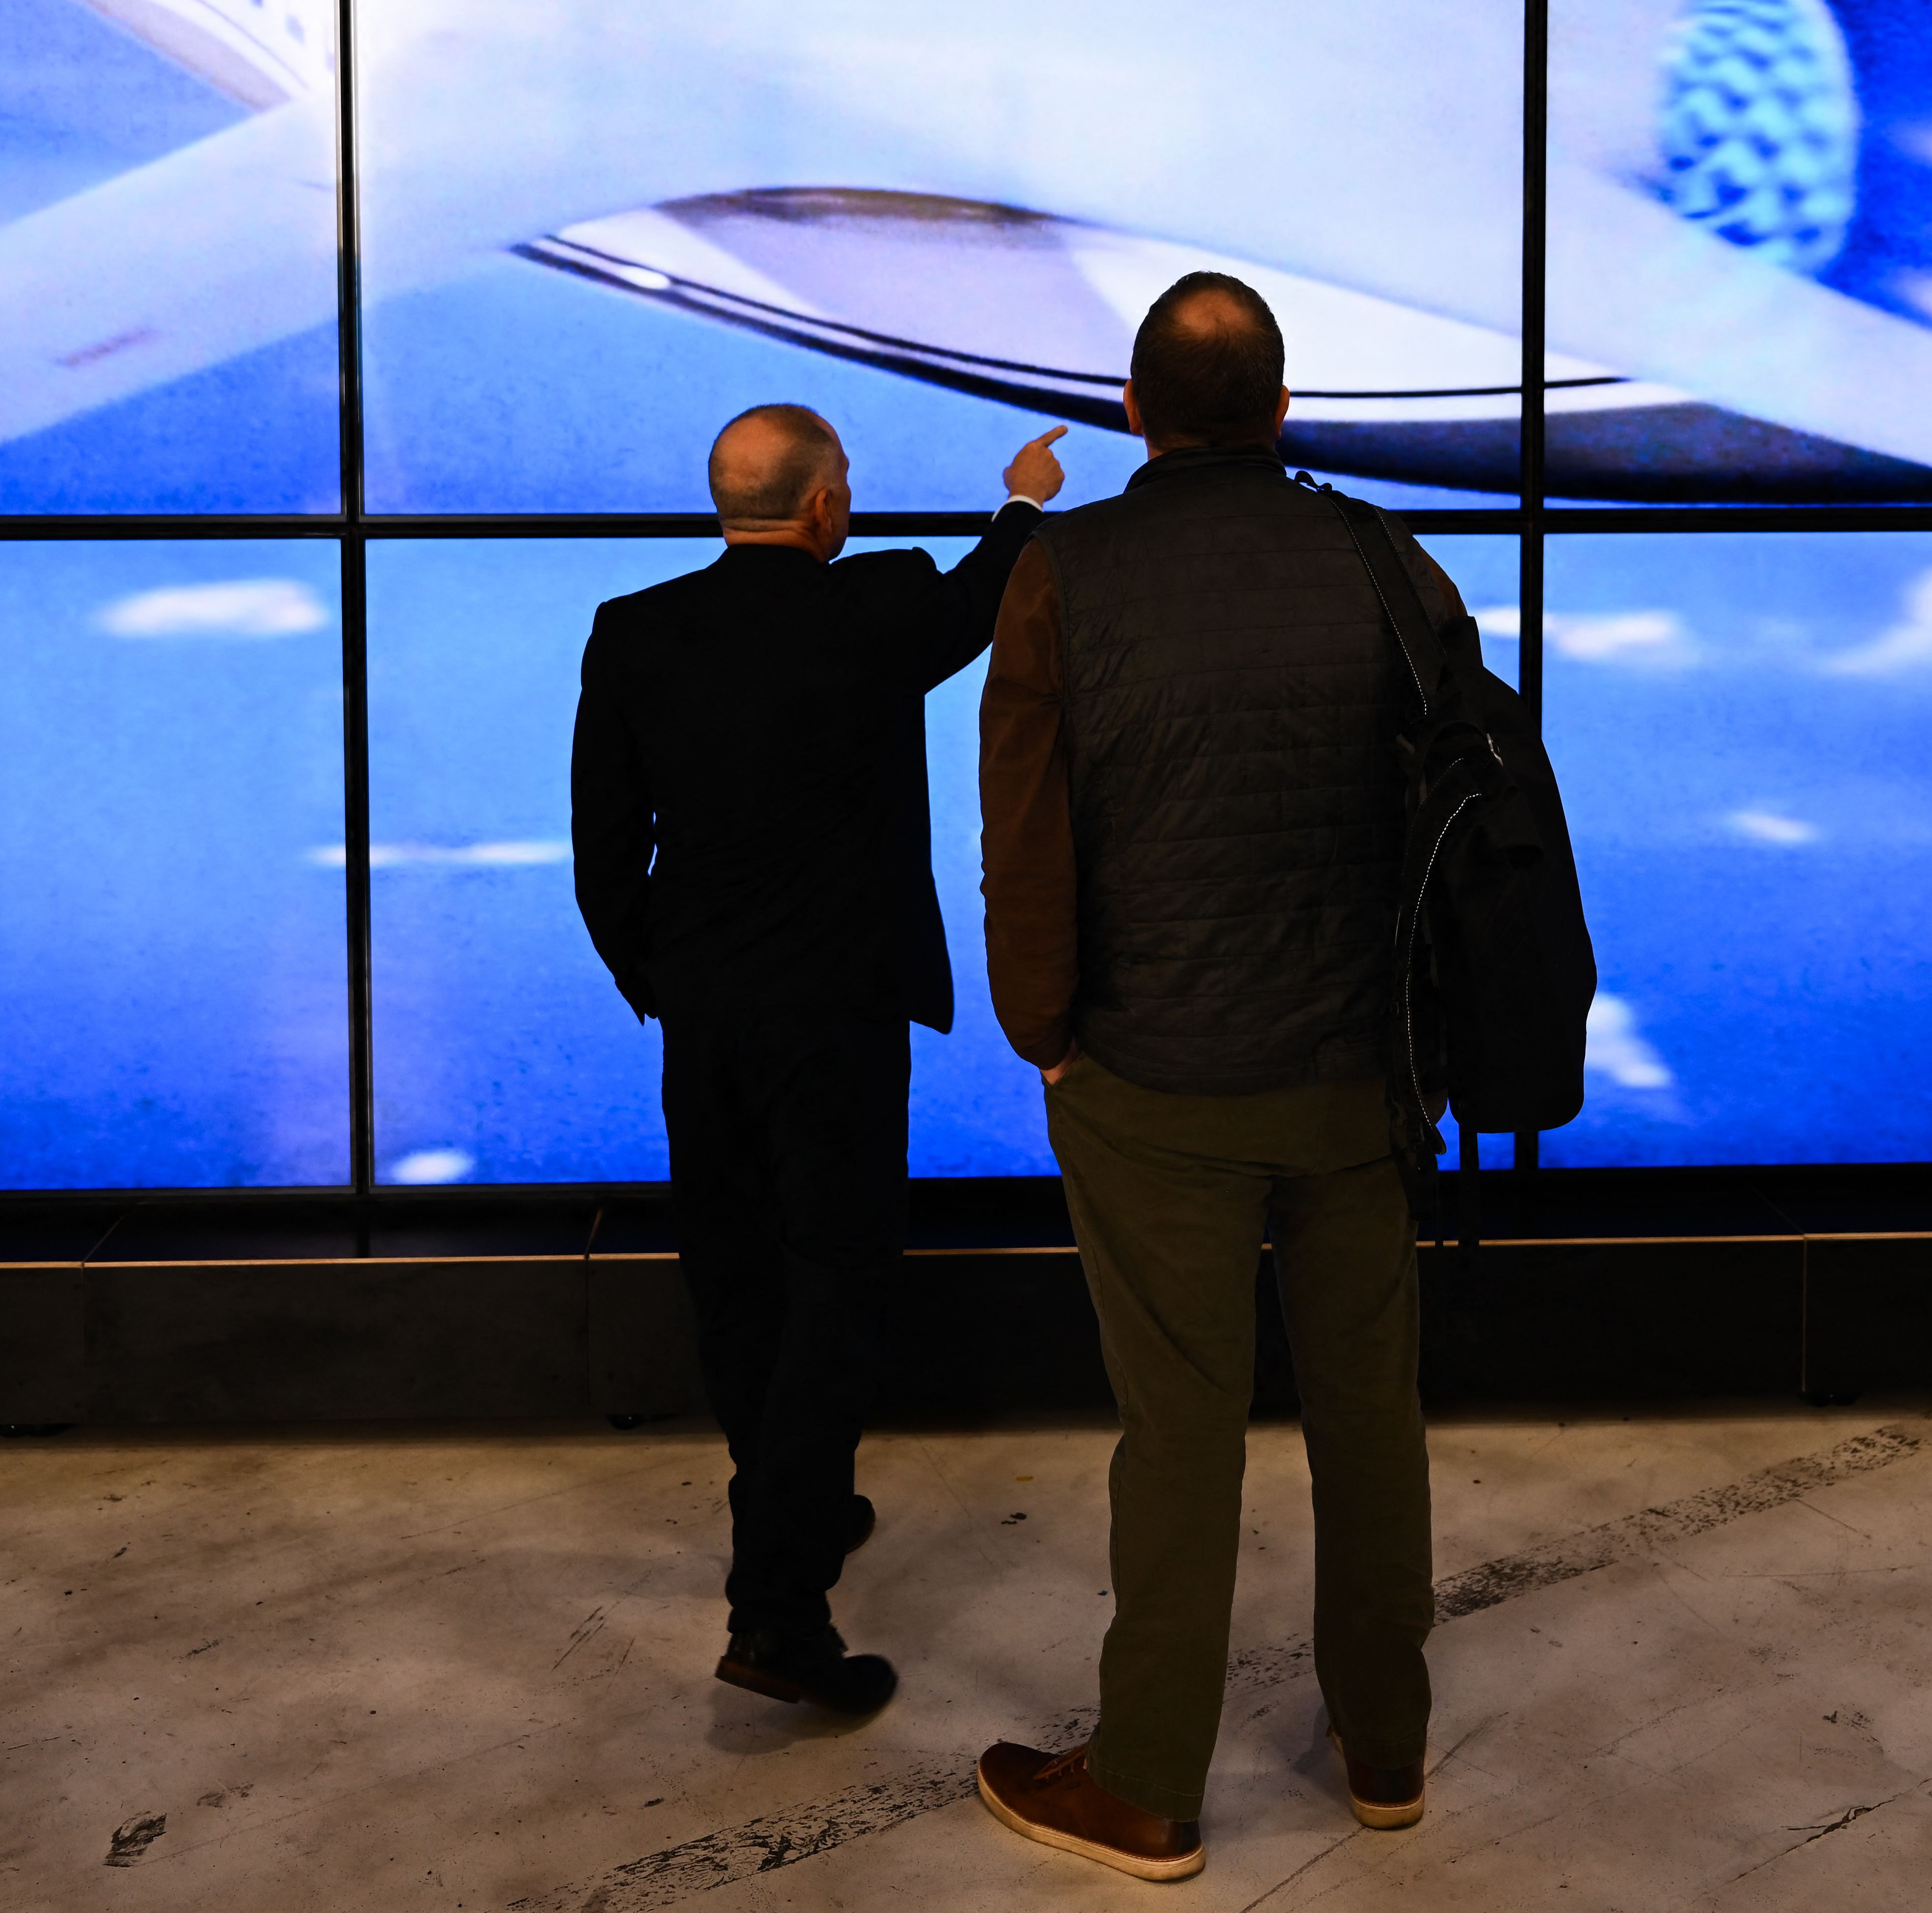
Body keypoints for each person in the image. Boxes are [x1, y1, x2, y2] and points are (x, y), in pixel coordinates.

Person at [971, 274, 1460, 1879]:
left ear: (1131, 414)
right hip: (1355, 1077)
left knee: (1178, 1432)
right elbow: (1457, 822)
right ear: (1284, 406)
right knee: (1369, 1416)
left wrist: (1045, 1026)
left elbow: (1028, 835)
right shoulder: (1387, 559)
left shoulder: (1064, 571)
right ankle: (1385, 1749)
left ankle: (1149, 1785)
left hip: (1155, 1081)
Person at [571, 402, 1067, 1716]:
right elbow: (982, 600)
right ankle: (779, 1614)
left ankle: (789, 1506)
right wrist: (1023, 495)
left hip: (709, 1020)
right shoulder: (873, 613)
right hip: (838, 1017)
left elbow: (605, 851)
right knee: (837, 1283)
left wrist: (660, 983)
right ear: (823, 507)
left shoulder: (638, 632)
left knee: (735, 1278)